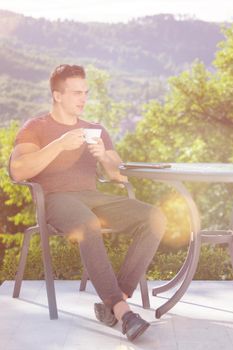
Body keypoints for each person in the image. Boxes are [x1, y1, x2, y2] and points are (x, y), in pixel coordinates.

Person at [9, 64, 167, 341]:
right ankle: (123, 312)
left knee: (156, 217)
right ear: (57, 95)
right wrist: (59, 144)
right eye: (76, 93)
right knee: (87, 224)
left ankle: (115, 301)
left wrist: (104, 156)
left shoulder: (95, 129)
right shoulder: (37, 127)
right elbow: (18, 170)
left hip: (93, 197)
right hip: (56, 201)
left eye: (85, 92)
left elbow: (118, 174)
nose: (83, 99)